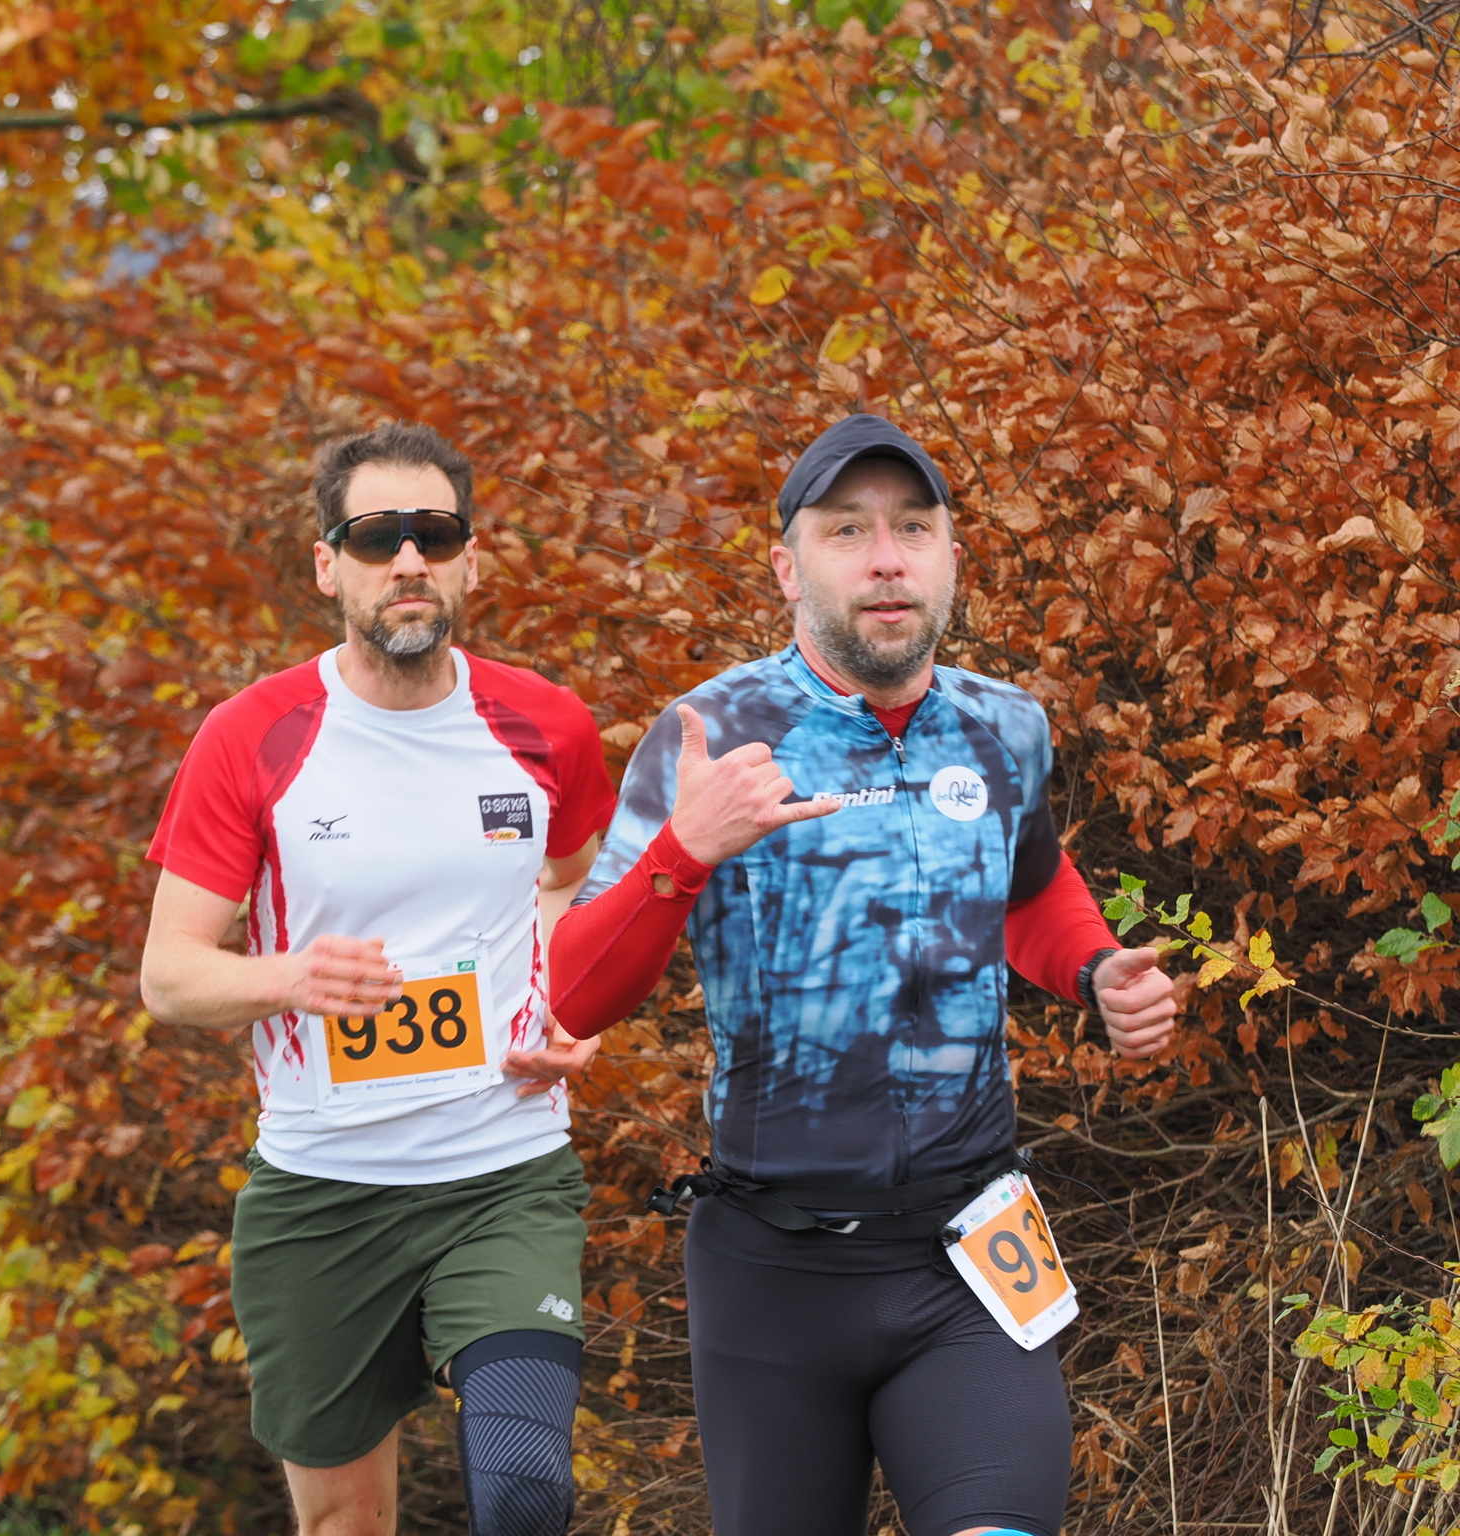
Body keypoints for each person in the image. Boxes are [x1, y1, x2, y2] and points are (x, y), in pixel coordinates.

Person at [547, 413, 1178, 1536]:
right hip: (772, 1275)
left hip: (970, 1253)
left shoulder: (1004, 727)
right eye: (847, 531)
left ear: (950, 559)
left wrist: (1093, 972)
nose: (886, 559)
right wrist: (681, 852)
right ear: (788, 569)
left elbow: (1027, 890)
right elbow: (575, 994)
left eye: (912, 529)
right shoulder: (711, 735)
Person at [139, 422, 618, 1536]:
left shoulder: (545, 724)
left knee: (525, 1489)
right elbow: (169, 977)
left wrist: (557, 1003)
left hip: (502, 1171)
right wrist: (288, 979)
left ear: (470, 560)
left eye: (434, 535)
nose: (408, 560)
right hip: (322, 1193)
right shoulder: (252, 737)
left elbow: (571, 884)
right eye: (374, 538)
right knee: (346, 1524)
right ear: (328, 565)